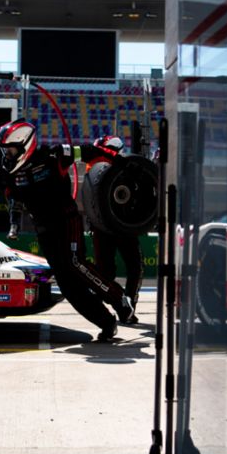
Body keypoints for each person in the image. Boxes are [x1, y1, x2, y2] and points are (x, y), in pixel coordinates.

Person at [0, 119, 134, 342]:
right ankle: (106, 323)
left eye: (10, 149)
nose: (7, 155)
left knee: (75, 262)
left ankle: (119, 299)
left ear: (25, 144)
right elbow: (14, 198)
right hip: (44, 229)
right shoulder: (9, 171)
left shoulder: (54, 155)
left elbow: (88, 151)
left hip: (66, 220)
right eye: (5, 150)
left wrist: (119, 161)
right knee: (67, 285)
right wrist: (14, 222)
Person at [84, 134, 143, 319]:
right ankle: (123, 306)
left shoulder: (96, 164)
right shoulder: (98, 163)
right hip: (112, 224)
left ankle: (124, 308)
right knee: (120, 269)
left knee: (112, 270)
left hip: (113, 224)